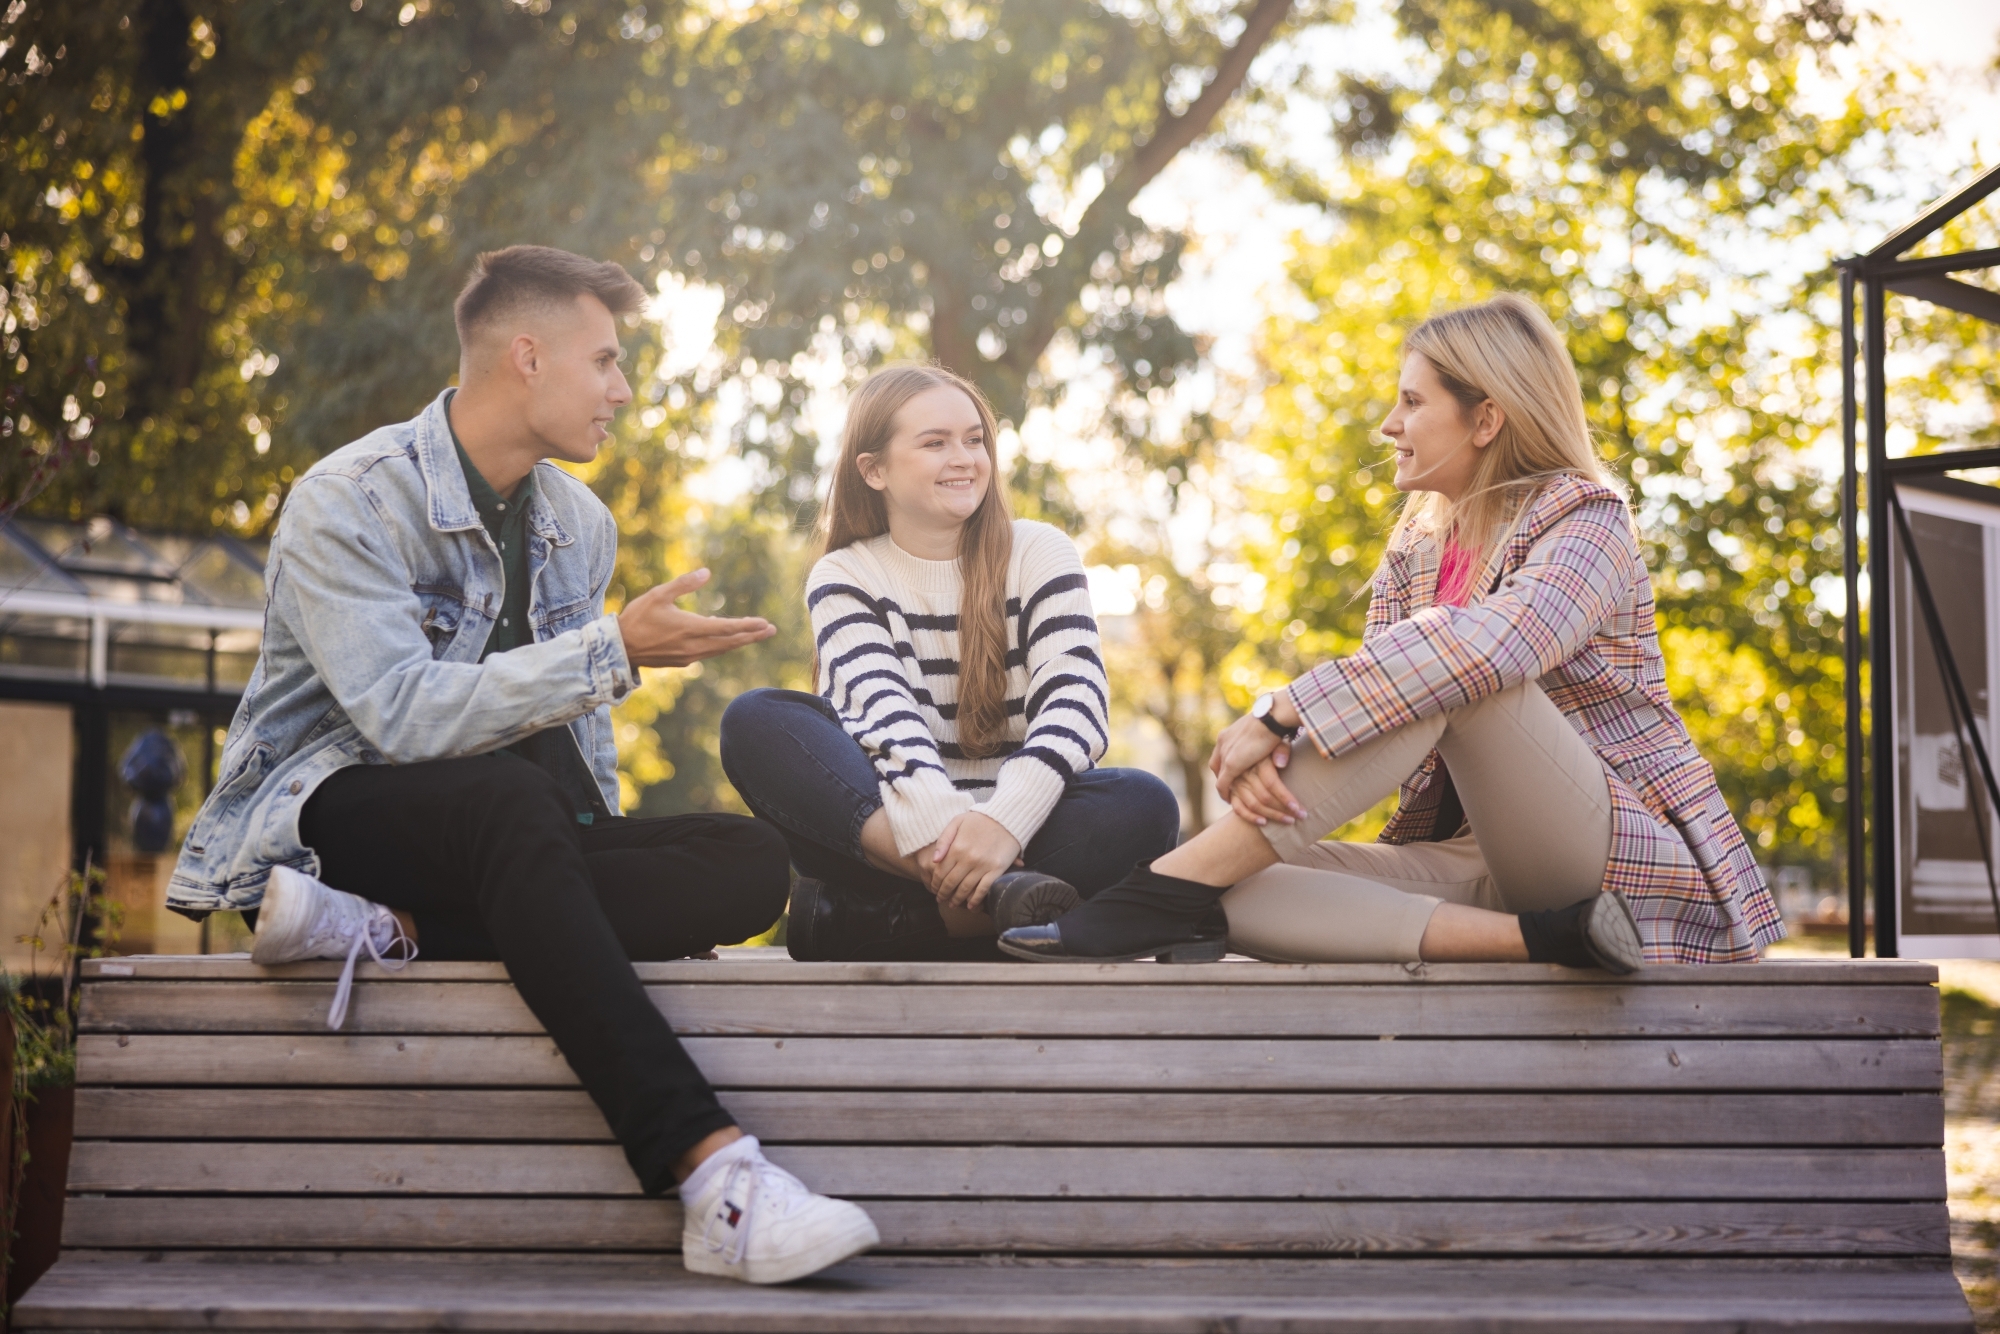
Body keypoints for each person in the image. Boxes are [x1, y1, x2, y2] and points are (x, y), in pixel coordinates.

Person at [165, 245, 880, 1285]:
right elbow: (400, 715)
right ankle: (711, 1172)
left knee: (748, 860)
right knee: (509, 799)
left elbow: (575, 744)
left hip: (504, 835)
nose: (622, 391)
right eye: (605, 362)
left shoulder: (578, 523)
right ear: (527, 357)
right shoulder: (348, 500)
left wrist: (595, 837)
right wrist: (615, 649)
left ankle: (396, 931)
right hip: (329, 812)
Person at [998, 294, 1785, 969]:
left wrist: (1282, 712)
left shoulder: (1585, 517)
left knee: (1455, 666)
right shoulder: (1417, 548)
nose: (1388, 424)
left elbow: (1494, 650)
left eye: (1412, 402)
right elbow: (1383, 692)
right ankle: (1544, 940)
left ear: (1486, 419)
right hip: (1481, 866)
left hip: (1614, 852)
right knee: (1235, 890)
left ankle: (1151, 890)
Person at [719, 364, 1180, 961]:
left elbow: (1076, 704)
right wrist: (952, 841)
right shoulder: (846, 575)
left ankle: (887, 924)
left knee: (1143, 805)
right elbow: (888, 721)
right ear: (874, 469)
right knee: (759, 721)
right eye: (935, 443)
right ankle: (997, 906)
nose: (964, 457)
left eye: (974, 439)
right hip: (893, 833)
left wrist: (1003, 824)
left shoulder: (1040, 551)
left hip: (1025, 835)